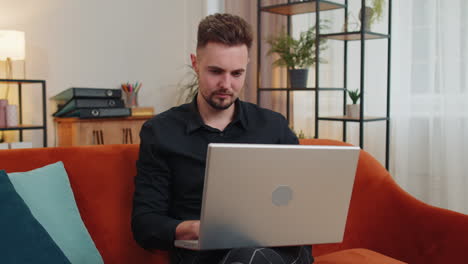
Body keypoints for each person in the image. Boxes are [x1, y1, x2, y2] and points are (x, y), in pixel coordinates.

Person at [132, 13, 313, 264]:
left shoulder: (274, 126)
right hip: (205, 256)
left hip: (277, 250)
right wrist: (194, 229)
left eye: (237, 73)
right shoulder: (161, 132)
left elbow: (301, 199)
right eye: (215, 71)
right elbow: (145, 224)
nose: (226, 84)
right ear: (195, 63)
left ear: (247, 65)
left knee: (258, 256)